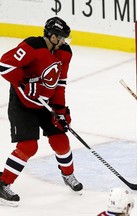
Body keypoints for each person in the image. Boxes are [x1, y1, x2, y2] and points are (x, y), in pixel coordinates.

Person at [0, 16, 83, 207]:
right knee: (28, 146)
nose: (64, 42)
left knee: (61, 140)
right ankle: (3, 182)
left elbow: (60, 83)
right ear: (52, 37)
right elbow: (4, 65)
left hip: (48, 103)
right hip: (23, 104)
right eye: (61, 38)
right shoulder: (32, 45)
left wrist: (60, 110)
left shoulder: (65, 53)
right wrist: (25, 80)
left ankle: (68, 175)